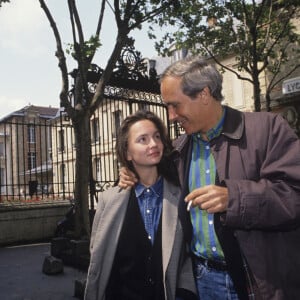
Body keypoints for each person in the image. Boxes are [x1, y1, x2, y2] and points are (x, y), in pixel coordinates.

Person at [118, 56, 300, 300]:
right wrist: (130, 173)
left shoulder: (268, 129)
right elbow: (152, 177)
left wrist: (233, 198)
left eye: (175, 105)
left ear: (204, 94)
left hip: (259, 282)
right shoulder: (177, 151)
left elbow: (293, 196)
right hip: (201, 281)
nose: (170, 116)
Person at [84, 110, 197, 300]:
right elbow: (99, 256)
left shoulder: (181, 195)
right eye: (142, 139)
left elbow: (189, 253)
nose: (153, 144)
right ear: (127, 153)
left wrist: (185, 292)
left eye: (157, 137)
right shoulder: (109, 200)